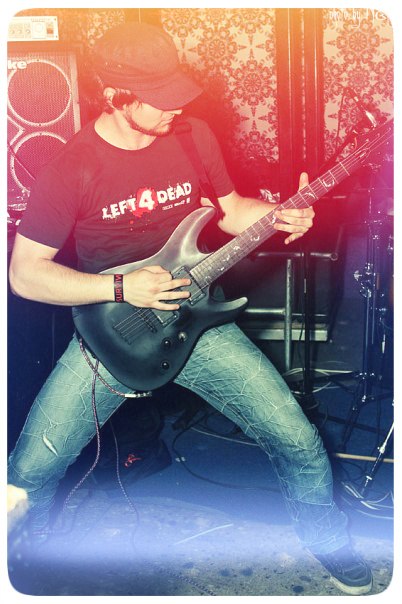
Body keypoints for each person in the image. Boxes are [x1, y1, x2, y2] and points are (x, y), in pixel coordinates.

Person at [8, 22, 372, 595]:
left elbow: (229, 211)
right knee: (29, 473)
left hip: (197, 321)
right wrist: (122, 288)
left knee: (297, 438)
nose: (175, 107)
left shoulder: (191, 134)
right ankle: (23, 563)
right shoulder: (72, 166)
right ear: (115, 96)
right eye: (159, 98)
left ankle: (326, 539)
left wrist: (280, 215)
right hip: (113, 332)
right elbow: (25, 274)